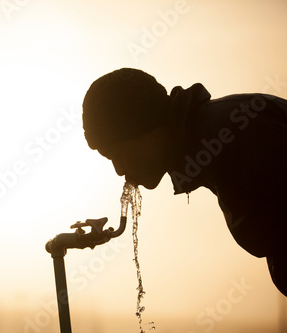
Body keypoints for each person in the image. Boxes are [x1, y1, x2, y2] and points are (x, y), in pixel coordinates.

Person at [82, 68, 287, 296]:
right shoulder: (213, 139)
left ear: (146, 128)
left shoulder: (237, 133)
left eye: (118, 154)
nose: (119, 170)